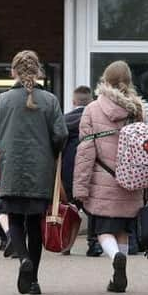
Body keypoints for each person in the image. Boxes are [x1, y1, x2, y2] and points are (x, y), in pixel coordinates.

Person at [73, 61, 148, 293]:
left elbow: (85, 153)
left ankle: (115, 259)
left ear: (105, 79)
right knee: (122, 230)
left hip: (103, 182)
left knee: (103, 231)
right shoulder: (137, 110)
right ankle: (118, 273)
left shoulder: (92, 109)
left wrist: (80, 188)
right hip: (133, 184)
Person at [0, 50, 68, 295]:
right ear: (38, 71)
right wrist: (52, 152)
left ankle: (23, 259)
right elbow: (62, 135)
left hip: (11, 168)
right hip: (40, 169)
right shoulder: (50, 100)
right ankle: (33, 281)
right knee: (35, 223)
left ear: (13, 71)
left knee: (13, 218)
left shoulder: (2, 101)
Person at [61, 85, 103, 257]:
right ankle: (93, 244)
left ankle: (65, 244)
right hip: (92, 168)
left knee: (69, 207)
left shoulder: (64, 120)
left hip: (68, 169)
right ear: (91, 101)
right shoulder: (96, 119)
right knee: (92, 207)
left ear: (73, 101)